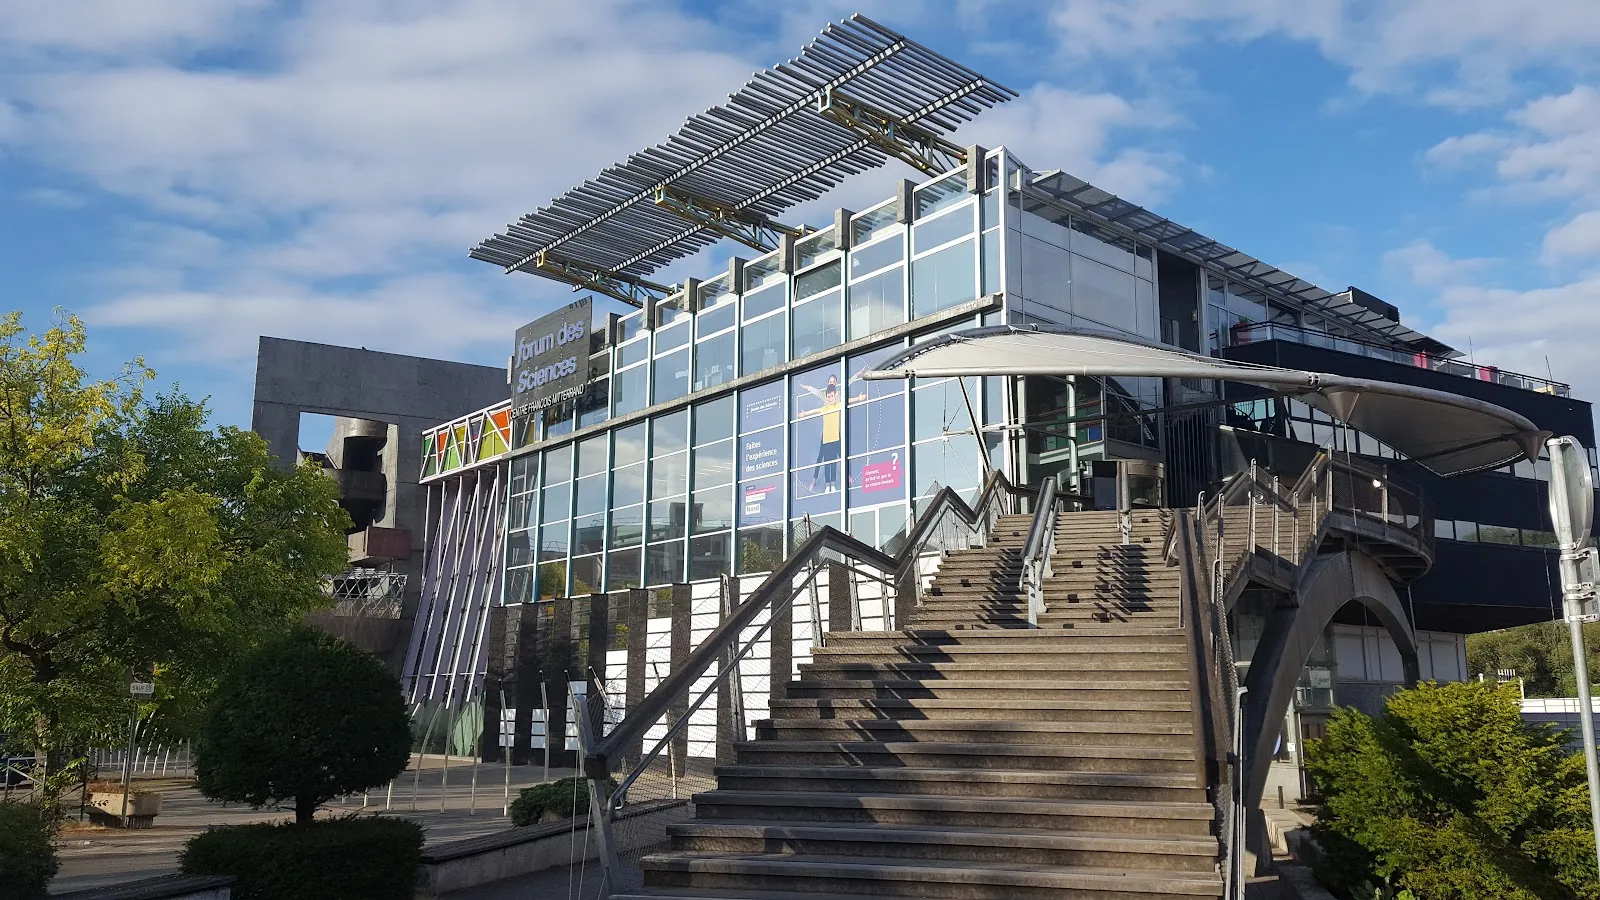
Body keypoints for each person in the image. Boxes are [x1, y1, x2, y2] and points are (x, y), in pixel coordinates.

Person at [796, 376, 844, 493]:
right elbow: (816, 408)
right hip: (826, 438)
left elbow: (848, 398)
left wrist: (858, 397)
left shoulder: (838, 401)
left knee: (837, 459)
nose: (830, 398)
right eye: (828, 397)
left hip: (835, 437)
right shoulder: (825, 402)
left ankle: (836, 481)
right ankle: (825, 483)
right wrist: (805, 413)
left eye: (832, 396)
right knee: (825, 460)